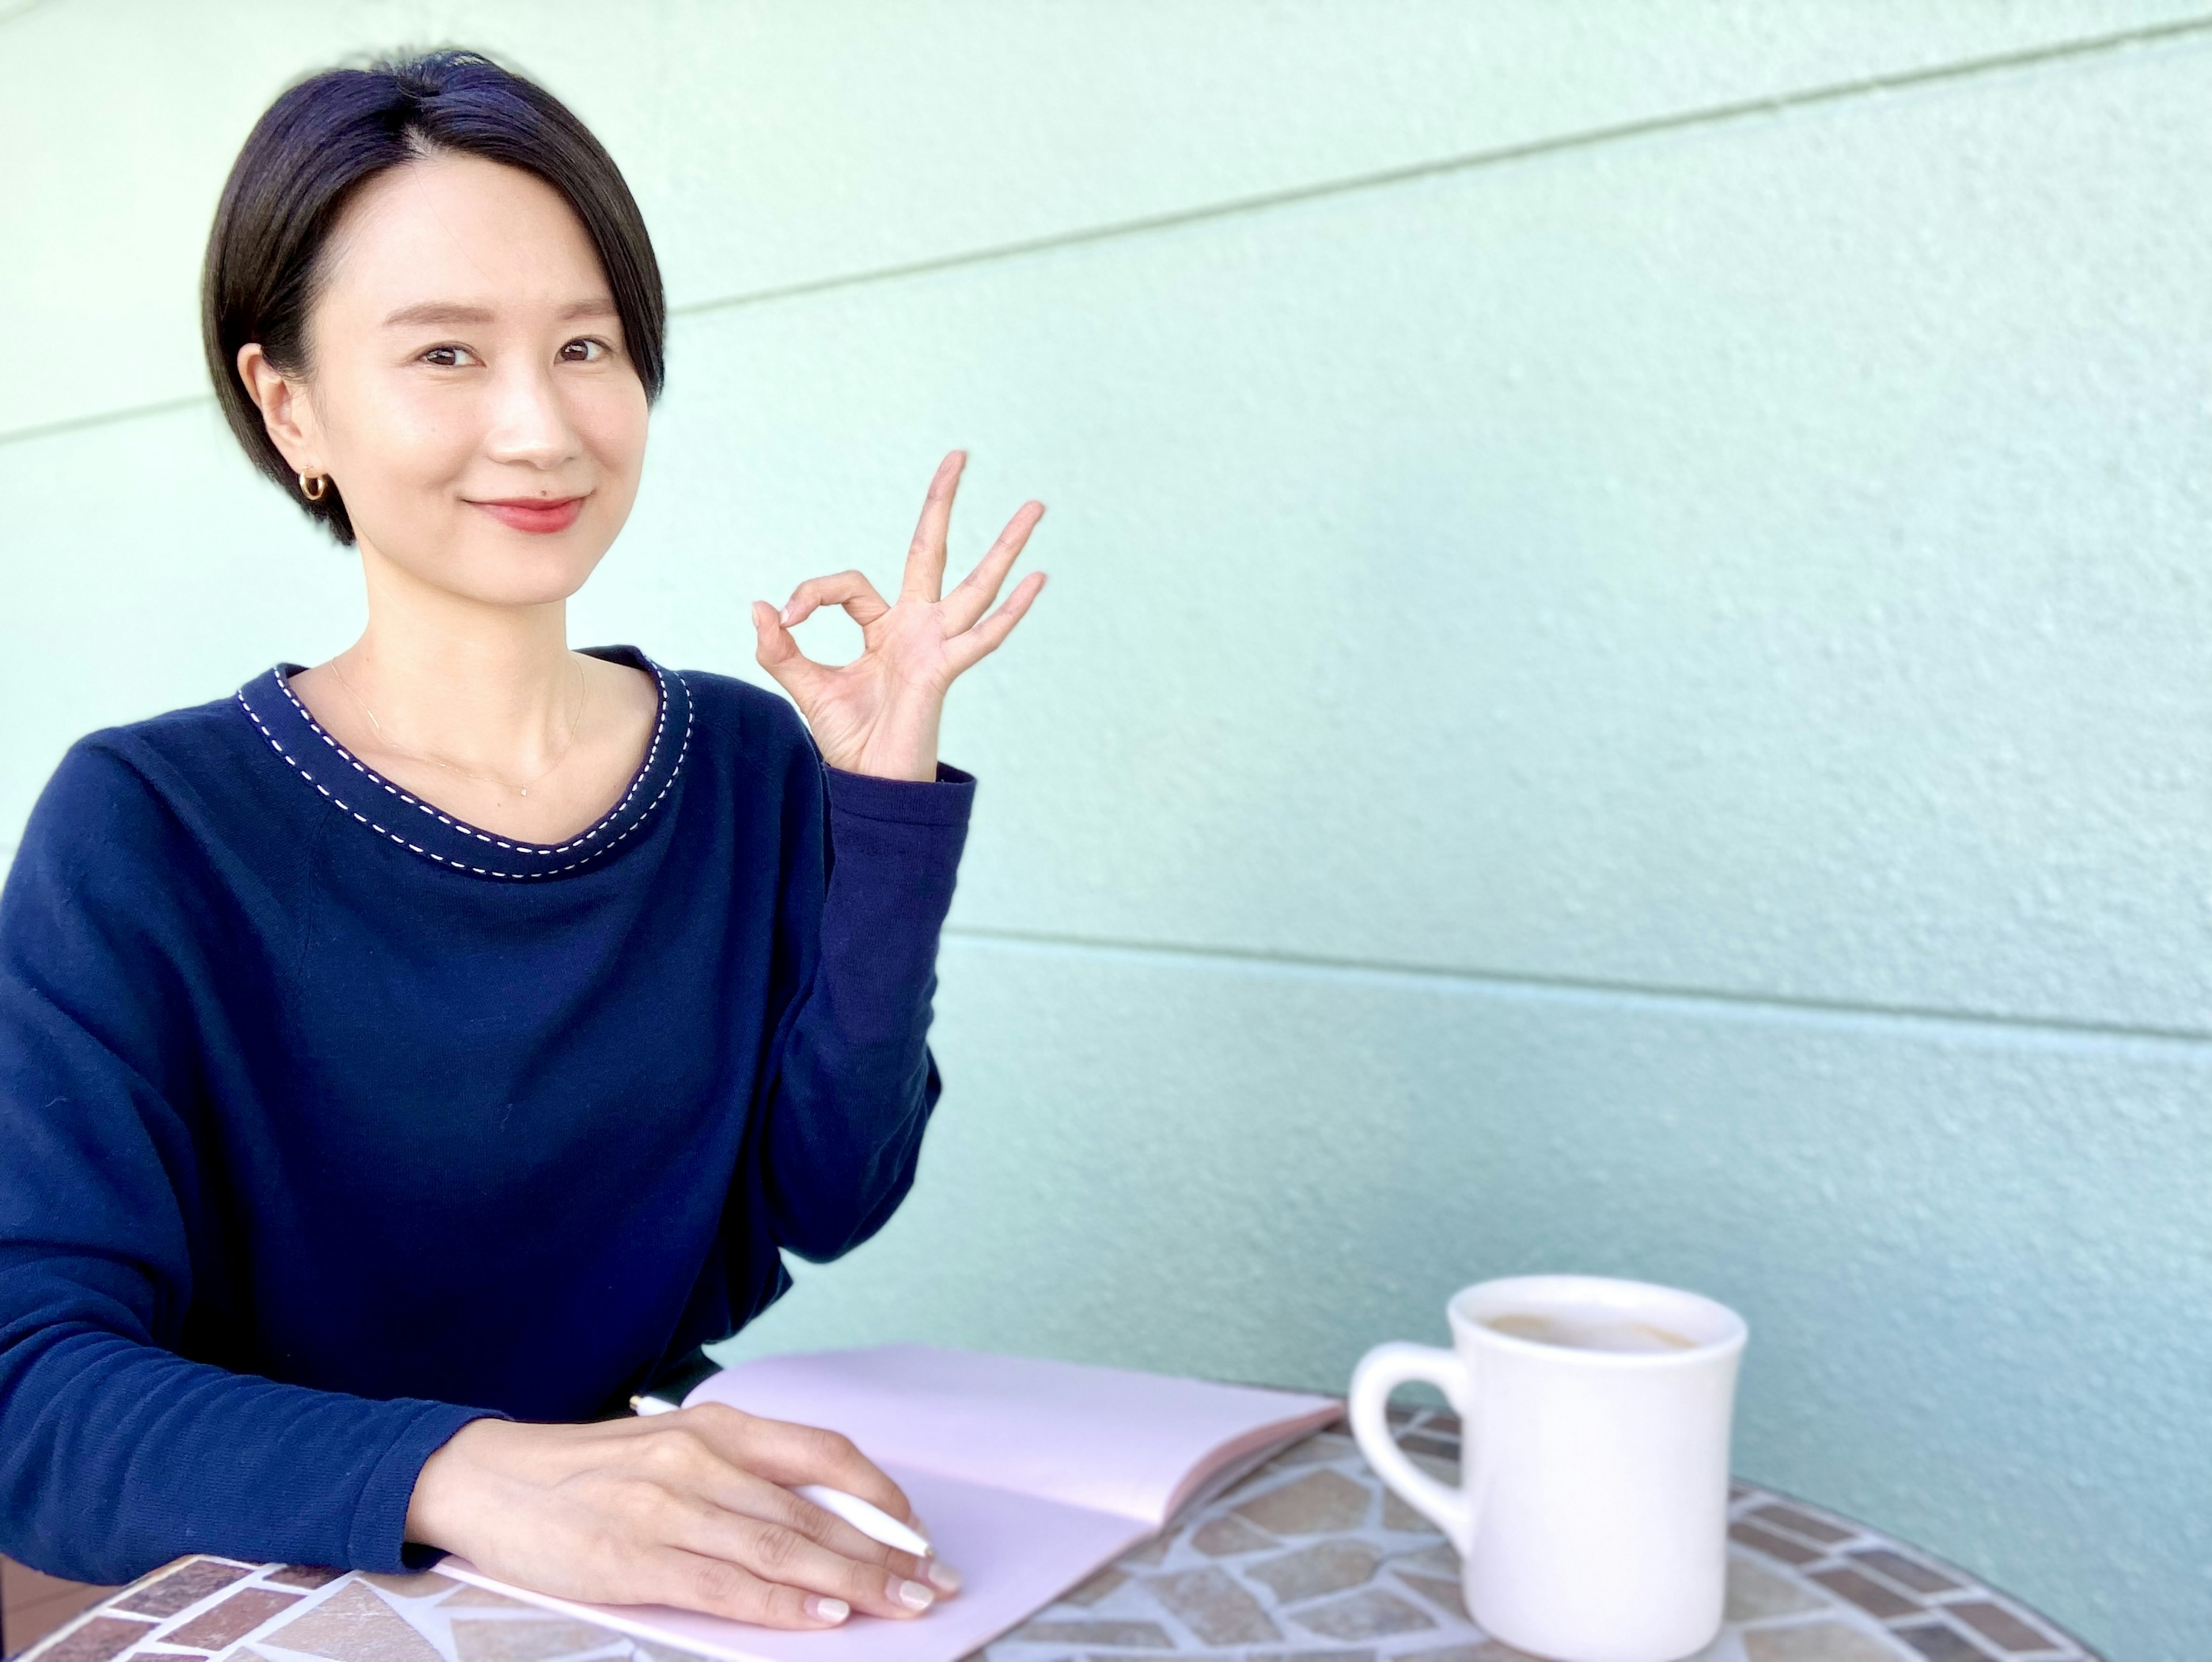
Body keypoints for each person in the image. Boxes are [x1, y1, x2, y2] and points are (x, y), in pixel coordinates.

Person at [0, 49, 1045, 1631]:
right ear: (292, 405)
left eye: (584, 343)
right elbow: (33, 1390)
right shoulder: (148, 825)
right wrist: (479, 1475)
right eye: (443, 353)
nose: (541, 424)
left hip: (632, 1585)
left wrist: (883, 813)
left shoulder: (746, 759)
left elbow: (830, 1192)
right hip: (276, 1589)